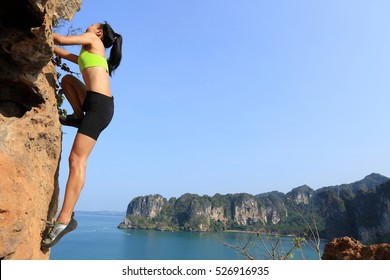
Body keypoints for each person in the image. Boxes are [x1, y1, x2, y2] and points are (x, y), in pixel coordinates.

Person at [41, 22, 122, 249]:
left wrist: (38, 28)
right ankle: (77, 116)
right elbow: (63, 51)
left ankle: (65, 220)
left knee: (77, 160)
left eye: (94, 23)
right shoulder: (89, 53)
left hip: (100, 108)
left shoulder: (93, 41)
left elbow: (60, 40)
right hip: (94, 102)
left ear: (98, 32)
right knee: (67, 81)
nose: (90, 23)